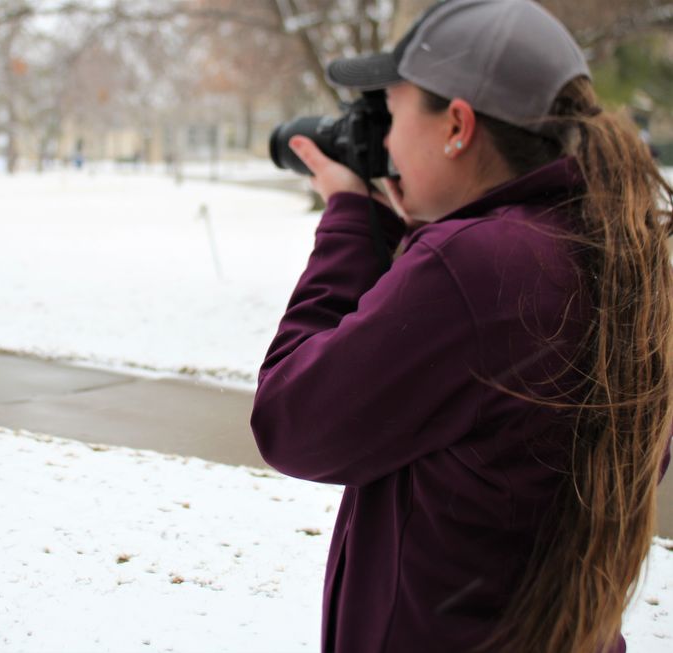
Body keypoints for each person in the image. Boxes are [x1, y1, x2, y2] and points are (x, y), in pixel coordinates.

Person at [249, 1, 673, 652]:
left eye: (389, 114)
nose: (383, 145)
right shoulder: (621, 251)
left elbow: (290, 422)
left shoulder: (472, 269)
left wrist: (350, 220)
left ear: (457, 125)